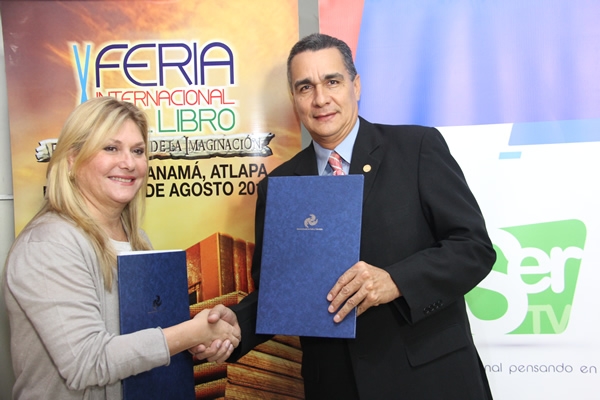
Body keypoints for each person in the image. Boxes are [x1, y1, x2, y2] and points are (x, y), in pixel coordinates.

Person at [195, 33, 496, 399]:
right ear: (294, 99)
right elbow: (280, 291)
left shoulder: (417, 148)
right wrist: (236, 326)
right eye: (305, 87)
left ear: (356, 85)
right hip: (336, 386)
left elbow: (473, 248)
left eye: (332, 81)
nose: (320, 98)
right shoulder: (279, 185)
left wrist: (396, 281)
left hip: (431, 381)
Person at [3, 97, 240, 400]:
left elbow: (146, 341)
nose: (129, 163)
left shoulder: (137, 239)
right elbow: (86, 362)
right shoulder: (48, 244)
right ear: (73, 158)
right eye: (111, 148)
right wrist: (190, 333)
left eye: (138, 151)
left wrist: (206, 330)